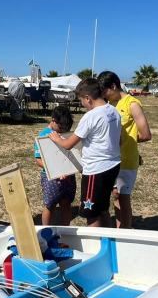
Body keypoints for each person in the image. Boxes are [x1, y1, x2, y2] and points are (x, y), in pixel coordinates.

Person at [49, 78, 121, 227]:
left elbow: (68, 144)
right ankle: (108, 241)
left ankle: (95, 245)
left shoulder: (90, 116)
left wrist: (56, 138)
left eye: (81, 100)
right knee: (102, 207)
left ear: (88, 98)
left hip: (96, 170)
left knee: (91, 214)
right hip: (113, 166)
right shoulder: (114, 111)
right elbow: (118, 139)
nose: (82, 104)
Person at [97, 71, 152, 229]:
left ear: (113, 86)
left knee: (122, 197)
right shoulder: (111, 105)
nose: (104, 96)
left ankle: (125, 232)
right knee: (116, 196)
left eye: (105, 92)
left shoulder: (132, 104)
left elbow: (146, 134)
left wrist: (126, 141)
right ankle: (119, 230)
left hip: (126, 160)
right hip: (112, 160)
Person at [33, 105, 76, 226]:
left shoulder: (66, 134)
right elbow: (38, 160)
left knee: (66, 203)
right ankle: (46, 230)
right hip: (51, 178)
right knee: (50, 205)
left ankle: (66, 229)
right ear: (53, 120)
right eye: (60, 127)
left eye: (66, 128)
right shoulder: (43, 136)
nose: (62, 130)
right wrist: (56, 172)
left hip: (68, 176)